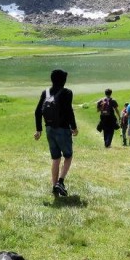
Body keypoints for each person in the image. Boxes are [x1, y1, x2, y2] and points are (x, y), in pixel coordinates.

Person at [34, 69, 78, 197]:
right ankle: (60, 181)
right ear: (63, 80)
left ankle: (54, 187)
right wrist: (74, 127)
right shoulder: (67, 92)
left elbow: (37, 112)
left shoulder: (45, 92)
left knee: (55, 158)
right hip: (63, 129)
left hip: (49, 129)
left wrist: (39, 130)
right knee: (68, 156)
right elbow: (69, 111)